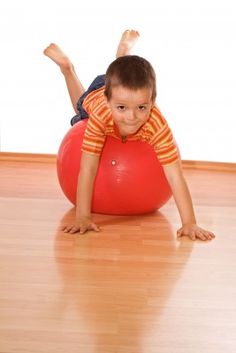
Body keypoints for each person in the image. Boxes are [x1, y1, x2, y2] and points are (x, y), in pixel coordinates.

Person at [44, 30, 215, 241]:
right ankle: (67, 68)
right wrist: (83, 216)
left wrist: (189, 223)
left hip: (119, 86)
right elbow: (88, 167)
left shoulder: (157, 125)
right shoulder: (100, 113)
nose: (132, 117)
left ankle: (123, 54)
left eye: (142, 107)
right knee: (80, 109)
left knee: (125, 81)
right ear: (109, 104)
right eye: (122, 108)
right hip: (99, 91)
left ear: (152, 102)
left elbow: (174, 176)